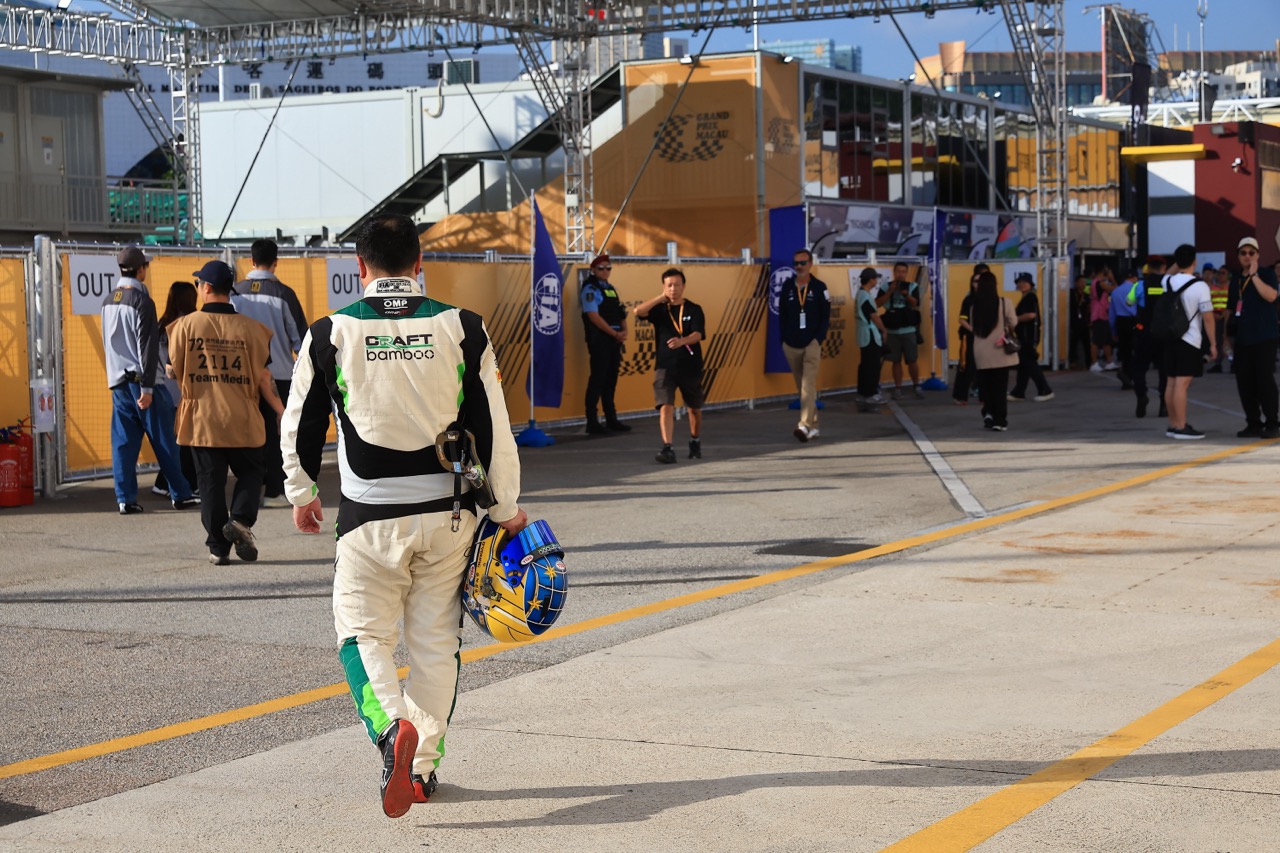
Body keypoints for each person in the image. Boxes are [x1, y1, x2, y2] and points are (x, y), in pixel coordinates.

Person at [280, 214, 527, 820]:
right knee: (437, 645)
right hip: (449, 518)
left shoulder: (328, 332)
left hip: (368, 521)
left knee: (360, 634)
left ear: (358, 268)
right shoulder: (462, 327)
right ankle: (419, 773)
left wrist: (301, 490)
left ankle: (391, 730)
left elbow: (302, 421)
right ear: (420, 264)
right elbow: (493, 426)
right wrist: (505, 506)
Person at [168, 261, 283, 564]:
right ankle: (241, 520)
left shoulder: (184, 326)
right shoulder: (252, 329)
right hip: (242, 415)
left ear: (205, 287)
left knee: (210, 483)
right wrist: (282, 409)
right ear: (228, 289)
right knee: (251, 472)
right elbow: (263, 377)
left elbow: (176, 368)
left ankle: (218, 548)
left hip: (201, 417)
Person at [100, 246, 199, 515]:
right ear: (141, 269)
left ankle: (125, 499)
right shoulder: (142, 301)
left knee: (123, 444)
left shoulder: (109, 300)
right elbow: (147, 345)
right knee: (166, 440)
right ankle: (180, 493)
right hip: (144, 383)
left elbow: (108, 344)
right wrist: (146, 386)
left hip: (119, 381)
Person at [232, 238, 308, 508]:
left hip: (243, 377)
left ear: (251, 261)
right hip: (280, 375)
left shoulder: (235, 292)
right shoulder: (284, 294)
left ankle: (252, 486)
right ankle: (275, 489)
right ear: (276, 262)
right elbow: (300, 340)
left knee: (251, 432)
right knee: (279, 431)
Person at [633, 268, 705, 463]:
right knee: (665, 404)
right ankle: (667, 447)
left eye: (677, 285)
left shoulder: (694, 309)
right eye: (669, 285)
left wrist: (683, 341)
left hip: (690, 365)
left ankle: (694, 439)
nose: (673, 289)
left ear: (684, 286)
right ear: (664, 287)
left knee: (694, 408)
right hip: (665, 366)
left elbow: (698, 334)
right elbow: (638, 311)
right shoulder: (660, 310)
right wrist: (660, 298)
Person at [1162, 244, 1216, 440]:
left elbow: (1170, 272)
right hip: (1190, 339)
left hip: (1170, 338)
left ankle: (1172, 424)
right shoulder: (1200, 286)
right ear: (1195, 261)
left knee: (1171, 383)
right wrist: (1213, 344)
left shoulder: (1167, 281)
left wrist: (1178, 262)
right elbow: (1208, 318)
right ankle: (1182, 426)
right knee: (1182, 384)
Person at [1226, 236, 1279, 438]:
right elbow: (1230, 310)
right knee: (1245, 382)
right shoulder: (1235, 279)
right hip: (1242, 338)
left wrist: (1254, 275)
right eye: (1243, 253)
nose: (1247, 256)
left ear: (1257, 255)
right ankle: (1253, 422)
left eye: (1251, 253)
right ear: (1238, 255)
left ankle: (1272, 422)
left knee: (1264, 380)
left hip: (1265, 336)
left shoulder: (1266, 274)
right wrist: (1224, 338)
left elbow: (1271, 296)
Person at [778, 248, 831, 442]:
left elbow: (826, 316)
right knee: (802, 387)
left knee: (808, 385)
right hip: (791, 344)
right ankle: (814, 426)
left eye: (802, 263)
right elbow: (782, 314)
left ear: (810, 264)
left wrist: (818, 339)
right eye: (796, 263)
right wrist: (783, 339)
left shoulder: (819, 287)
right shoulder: (787, 287)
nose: (799, 267)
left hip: (811, 343)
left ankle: (804, 425)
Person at [152, 281, 199, 499]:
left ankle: (167, 483)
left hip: (166, 390)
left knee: (178, 440)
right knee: (186, 440)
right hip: (184, 391)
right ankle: (173, 483)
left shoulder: (163, 324)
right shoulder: (187, 324)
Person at [580, 253, 630, 435]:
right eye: (601, 268)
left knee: (611, 380)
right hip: (600, 339)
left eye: (608, 268)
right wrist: (615, 333)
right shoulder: (589, 289)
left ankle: (611, 419)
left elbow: (620, 312)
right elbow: (593, 316)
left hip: (614, 339)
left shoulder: (610, 288)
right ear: (593, 270)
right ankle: (592, 422)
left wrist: (624, 332)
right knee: (598, 379)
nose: (605, 271)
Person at [969, 270, 1019, 432]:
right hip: (999, 351)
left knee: (986, 387)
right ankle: (1000, 420)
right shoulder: (1005, 302)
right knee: (1000, 387)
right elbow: (1013, 322)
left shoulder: (974, 307)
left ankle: (988, 413)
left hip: (981, 351)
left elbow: (973, 326)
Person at [1127, 255, 1169, 419]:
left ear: (1148, 268)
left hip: (1144, 332)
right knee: (1164, 370)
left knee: (1139, 368)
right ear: (1163, 268)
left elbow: (1129, 302)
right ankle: (1164, 406)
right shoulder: (1168, 284)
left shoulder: (1139, 285)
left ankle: (1141, 395)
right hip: (1163, 334)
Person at [1007, 271, 1054, 403]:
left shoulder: (1030, 297)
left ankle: (1045, 389)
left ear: (1030, 284)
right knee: (1023, 364)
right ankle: (1019, 392)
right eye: (1019, 282)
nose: (1021, 285)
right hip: (1023, 336)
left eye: (1024, 283)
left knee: (1029, 363)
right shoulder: (1025, 297)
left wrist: (1015, 319)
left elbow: (1031, 315)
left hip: (1028, 337)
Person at [880, 261, 924, 399]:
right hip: (892, 331)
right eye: (898, 271)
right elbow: (878, 303)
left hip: (908, 330)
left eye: (903, 272)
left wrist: (905, 294)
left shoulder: (912, 286)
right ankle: (897, 388)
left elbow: (915, 303)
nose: (901, 274)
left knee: (912, 360)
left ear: (907, 273)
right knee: (895, 360)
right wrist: (890, 291)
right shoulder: (885, 286)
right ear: (894, 272)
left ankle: (916, 385)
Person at [951, 264, 984, 405]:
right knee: (966, 366)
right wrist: (973, 330)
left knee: (985, 367)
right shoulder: (969, 299)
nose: (978, 284)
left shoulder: (992, 299)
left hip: (986, 338)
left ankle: (985, 395)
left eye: (981, 281)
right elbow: (962, 319)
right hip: (970, 336)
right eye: (975, 281)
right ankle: (960, 396)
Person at [855, 267, 888, 407]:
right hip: (870, 335)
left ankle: (863, 393)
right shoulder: (864, 296)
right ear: (871, 280)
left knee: (866, 364)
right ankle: (871, 393)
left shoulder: (862, 294)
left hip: (865, 335)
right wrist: (883, 329)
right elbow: (873, 315)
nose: (876, 281)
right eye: (875, 278)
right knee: (872, 365)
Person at [1109, 269, 1139, 389]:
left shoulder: (1115, 292)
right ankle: (1131, 376)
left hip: (1120, 322)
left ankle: (1125, 374)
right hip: (1134, 322)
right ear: (1134, 278)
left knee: (1125, 350)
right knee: (1136, 350)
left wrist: (1113, 331)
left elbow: (1112, 314)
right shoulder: (1137, 289)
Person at [1089, 267, 1117, 372]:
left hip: (1102, 314)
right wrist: (1112, 279)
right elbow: (1114, 289)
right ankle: (1094, 363)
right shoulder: (1099, 283)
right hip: (1099, 315)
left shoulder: (1095, 282)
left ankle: (1109, 362)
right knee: (1096, 340)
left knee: (1106, 340)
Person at [1205, 264, 1230, 372]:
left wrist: (1225, 314)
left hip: (1228, 317)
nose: (1220, 275)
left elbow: (1233, 302)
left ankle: (1233, 363)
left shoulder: (1231, 287)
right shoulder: (1212, 288)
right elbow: (1208, 302)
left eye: (1223, 273)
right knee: (1217, 341)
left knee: (1230, 341)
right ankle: (1217, 363)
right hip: (1215, 316)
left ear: (1228, 275)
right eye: (1219, 273)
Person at [1067, 274, 1092, 369]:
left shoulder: (1086, 295)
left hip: (1084, 321)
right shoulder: (1071, 293)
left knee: (1087, 343)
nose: (1083, 284)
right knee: (1074, 341)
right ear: (1076, 283)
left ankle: (1089, 362)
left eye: (1084, 283)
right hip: (1074, 321)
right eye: (1081, 282)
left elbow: (1088, 308)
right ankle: (1072, 360)